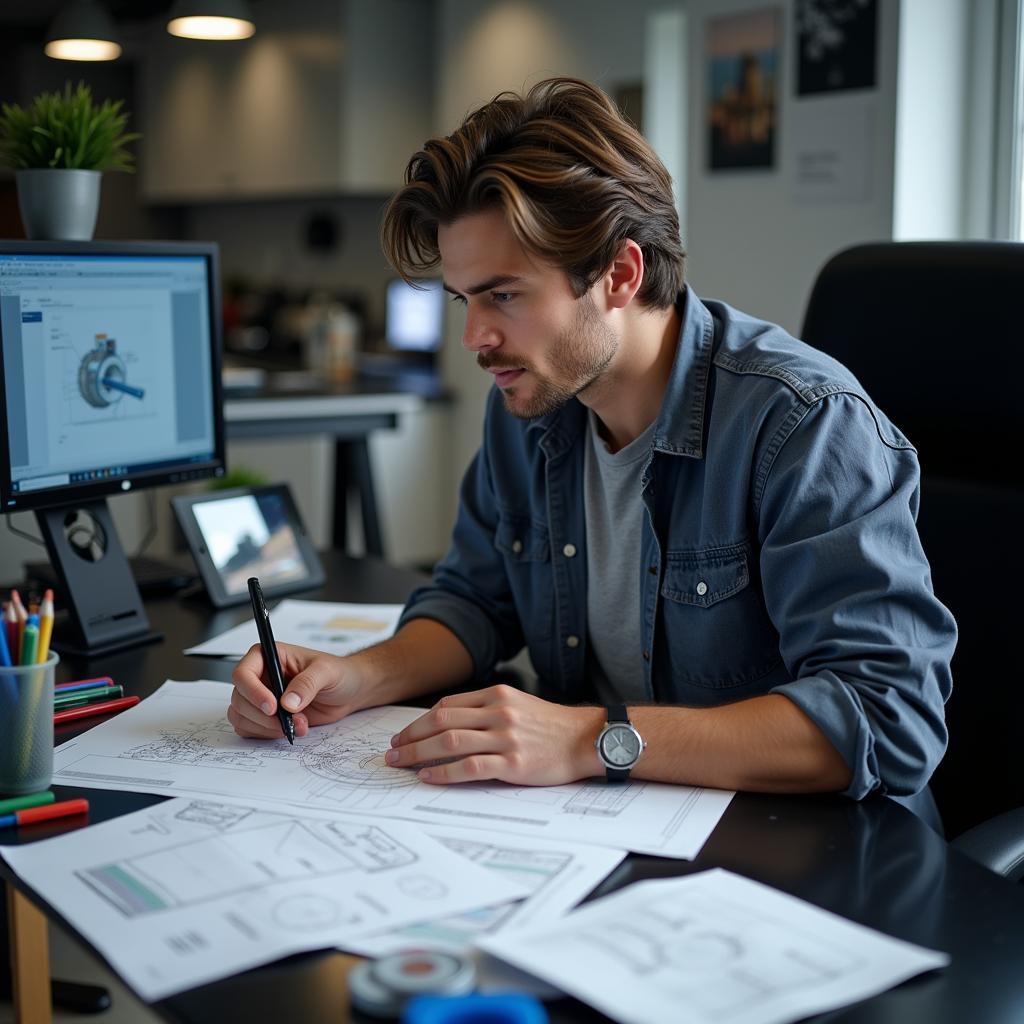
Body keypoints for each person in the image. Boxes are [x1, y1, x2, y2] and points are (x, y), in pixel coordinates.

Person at [229, 77, 955, 804]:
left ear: (620, 274)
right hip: (604, 818)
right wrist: (358, 676)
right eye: (464, 298)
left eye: (504, 295)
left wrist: (586, 740)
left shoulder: (803, 425)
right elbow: (477, 600)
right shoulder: (533, 400)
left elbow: (887, 718)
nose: (474, 337)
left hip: (799, 848)